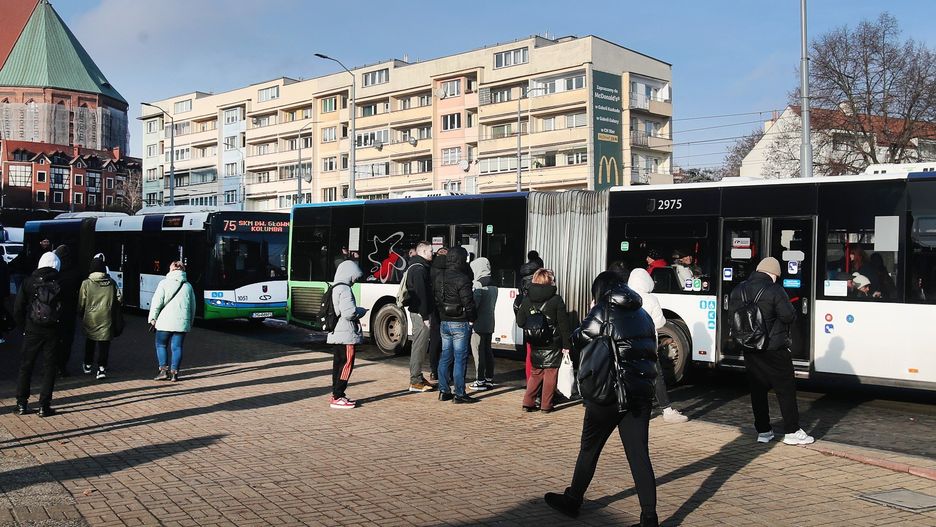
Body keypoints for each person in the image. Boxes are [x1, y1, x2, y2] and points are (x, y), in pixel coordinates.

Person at [544, 271, 658, 525]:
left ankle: (573, 500)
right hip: (639, 395)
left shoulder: (603, 311)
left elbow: (577, 340)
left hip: (607, 393)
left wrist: (592, 312)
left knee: (590, 449)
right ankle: (649, 516)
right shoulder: (643, 314)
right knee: (639, 454)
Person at [728, 257, 814, 446]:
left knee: (757, 390)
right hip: (774, 348)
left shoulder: (738, 289)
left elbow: (731, 317)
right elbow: (788, 315)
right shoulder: (775, 290)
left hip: (750, 347)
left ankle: (764, 431)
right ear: (774, 274)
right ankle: (791, 431)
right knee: (785, 390)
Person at [627, 268, 688, 424]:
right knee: (656, 376)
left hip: (628, 344)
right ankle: (666, 410)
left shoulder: (626, 297)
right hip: (648, 344)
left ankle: (634, 409)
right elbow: (660, 323)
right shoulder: (651, 299)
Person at [13, 252, 63, 417]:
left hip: (32, 329)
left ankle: (21, 403)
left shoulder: (28, 282)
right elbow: (67, 311)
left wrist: (24, 327)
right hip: (52, 331)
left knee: (26, 366)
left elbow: (18, 308)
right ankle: (44, 406)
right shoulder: (60, 283)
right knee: (49, 368)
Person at [516, 269, 571, 413]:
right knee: (551, 373)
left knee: (536, 373)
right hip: (553, 342)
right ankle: (546, 405)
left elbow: (520, 322)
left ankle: (528, 403)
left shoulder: (527, 299)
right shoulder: (556, 299)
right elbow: (564, 324)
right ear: (549, 281)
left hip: (536, 342)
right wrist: (567, 345)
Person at [433, 246, 478, 404]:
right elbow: (469, 303)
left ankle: (444, 391)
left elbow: (437, 299)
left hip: (444, 321)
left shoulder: (439, 276)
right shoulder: (462, 278)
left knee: (445, 356)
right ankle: (459, 394)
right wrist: (472, 319)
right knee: (460, 358)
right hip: (460, 322)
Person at [327, 259, 366, 409]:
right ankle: (338, 396)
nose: (355, 281)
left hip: (336, 332)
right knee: (347, 364)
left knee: (337, 364)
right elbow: (349, 313)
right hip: (346, 333)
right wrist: (361, 311)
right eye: (355, 277)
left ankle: (336, 394)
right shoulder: (345, 289)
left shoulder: (335, 286)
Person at [148, 261, 196, 383]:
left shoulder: (163, 283)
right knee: (177, 347)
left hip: (164, 322)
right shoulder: (188, 286)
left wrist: (153, 318)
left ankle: (163, 371)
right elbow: (193, 307)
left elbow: (157, 302)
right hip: (181, 323)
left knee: (161, 345)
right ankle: (175, 374)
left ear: (171, 269)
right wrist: (189, 322)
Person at [78, 257, 122, 380]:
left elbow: (82, 302)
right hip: (106, 317)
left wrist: (81, 313)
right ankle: (101, 368)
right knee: (104, 343)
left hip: (90, 317)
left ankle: (87, 364)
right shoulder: (111, 282)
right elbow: (119, 298)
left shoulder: (86, 283)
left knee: (90, 341)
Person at [405, 242, 435, 393]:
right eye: (430, 251)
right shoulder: (419, 269)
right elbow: (421, 295)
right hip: (419, 314)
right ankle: (415, 380)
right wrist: (425, 316)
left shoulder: (418, 266)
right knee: (419, 347)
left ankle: (418, 377)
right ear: (422, 251)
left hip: (418, 312)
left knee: (420, 346)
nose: (432, 253)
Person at [468, 257, 497, 391]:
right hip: (490, 322)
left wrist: (470, 320)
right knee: (487, 351)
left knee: (478, 351)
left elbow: (475, 304)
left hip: (479, 323)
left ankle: (480, 380)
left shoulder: (478, 284)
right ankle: (489, 378)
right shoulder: (493, 284)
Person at [53, 245, 80, 377]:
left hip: (55, 311)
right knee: (67, 341)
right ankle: (63, 366)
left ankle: (52, 365)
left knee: (54, 340)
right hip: (69, 312)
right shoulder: (74, 271)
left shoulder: (54, 272)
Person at [427, 247, 448, 383]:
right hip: (447, 309)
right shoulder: (450, 269)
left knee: (434, 339)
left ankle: (434, 371)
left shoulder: (430, 269)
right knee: (447, 341)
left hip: (433, 308)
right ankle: (445, 372)